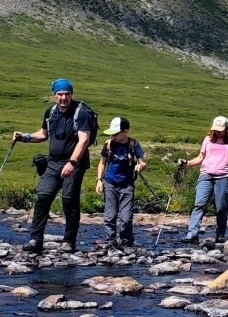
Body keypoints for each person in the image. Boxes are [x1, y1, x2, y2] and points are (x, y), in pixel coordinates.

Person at [12, 78, 95, 253]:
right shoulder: (50, 112)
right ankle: (36, 240)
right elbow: (43, 134)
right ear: (54, 95)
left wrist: (72, 163)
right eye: (60, 94)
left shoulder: (81, 113)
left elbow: (84, 140)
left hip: (74, 162)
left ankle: (69, 241)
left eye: (67, 94)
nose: (63, 97)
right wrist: (25, 137)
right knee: (43, 197)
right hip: (53, 162)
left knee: (69, 200)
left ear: (71, 94)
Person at [180, 116, 228, 245]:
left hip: (224, 177)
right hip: (205, 176)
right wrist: (187, 163)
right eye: (216, 130)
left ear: (227, 128)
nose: (219, 132)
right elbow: (200, 157)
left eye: (221, 130)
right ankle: (192, 234)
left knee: (221, 207)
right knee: (199, 204)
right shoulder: (207, 140)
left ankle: (220, 235)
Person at [95, 117, 146, 247]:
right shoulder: (108, 144)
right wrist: (99, 180)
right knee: (110, 216)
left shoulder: (133, 144)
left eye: (116, 133)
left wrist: (140, 166)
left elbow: (143, 162)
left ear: (125, 131)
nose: (113, 136)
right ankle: (110, 242)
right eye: (112, 133)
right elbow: (102, 163)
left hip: (127, 185)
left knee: (126, 217)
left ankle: (126, 243)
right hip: (110, 183)